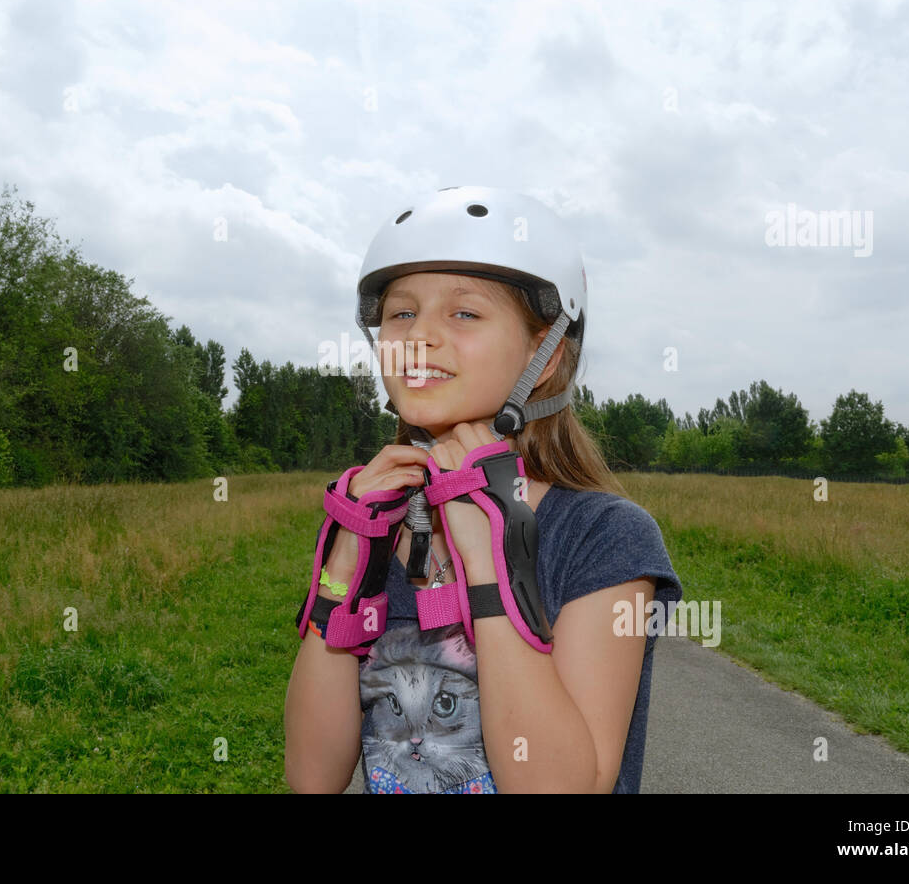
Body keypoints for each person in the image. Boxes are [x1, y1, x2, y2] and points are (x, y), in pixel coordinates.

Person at [284, 186, 682, 793]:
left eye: (464, 313)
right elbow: (312, 778)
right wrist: (345, 569)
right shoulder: (375, 521)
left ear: (543, 355)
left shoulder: (603, 536)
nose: (419, 336)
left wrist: (491, 562)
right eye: (401, 312)